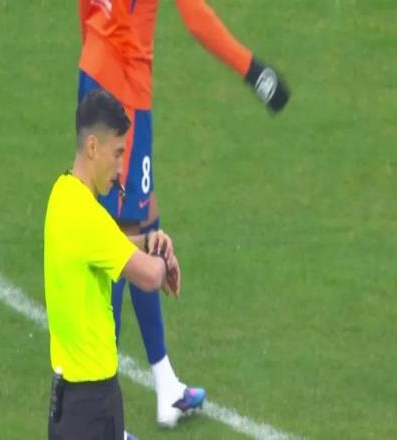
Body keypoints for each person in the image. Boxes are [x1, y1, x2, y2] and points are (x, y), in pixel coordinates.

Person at [77, 0, 287, 428]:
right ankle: (101, 414)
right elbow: (195, 17)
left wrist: (96, 58)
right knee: (122, 238)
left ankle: (166, 383)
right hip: (123, 87)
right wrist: (254, 71)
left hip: (97, 69)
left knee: (145, 215)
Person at [44, 89, 182, 440]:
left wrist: (149, 242)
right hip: (87, 408)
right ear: (93, 147)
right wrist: (162, 260)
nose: (122, 170)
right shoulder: (86, 216)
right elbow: (149, 277)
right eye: (118, 154)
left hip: (84, 398)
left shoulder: (64, 195)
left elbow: (109, 246)